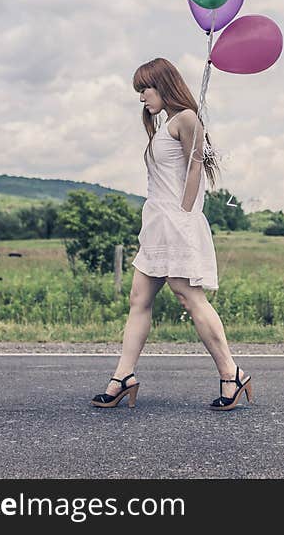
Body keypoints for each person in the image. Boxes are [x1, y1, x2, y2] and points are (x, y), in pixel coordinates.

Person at [91, 57, 252, 411]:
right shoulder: (163, 126)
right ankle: (123, 376)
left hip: (177, 222)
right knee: (138, 299)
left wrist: (184, 216)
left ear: (163, 85)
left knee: (189, 297)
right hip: (156, 224)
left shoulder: (186, 119)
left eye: (145, 89)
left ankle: (231, 373)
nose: (141, 97)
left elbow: (194, 169)